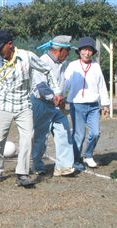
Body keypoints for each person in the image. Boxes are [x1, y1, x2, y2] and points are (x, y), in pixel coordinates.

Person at [0, 30, 61, 187]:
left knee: (27, 138)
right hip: (3, 105)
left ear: (10, 44)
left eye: (0, 48)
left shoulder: (27, 57)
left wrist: (56, 91)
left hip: (24, 106)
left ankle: (22, 173)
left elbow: (47, 70)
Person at [31, 35, 79, 177]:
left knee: (64, 131)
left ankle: (63, 167)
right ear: (60, 50)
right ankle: (37, 165)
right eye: (68, 51)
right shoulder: (42, 62)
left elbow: (60, 85)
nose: (68, 54)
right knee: (40, 137)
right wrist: (54, 98)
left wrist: (61, 99)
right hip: (41, 104)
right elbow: (41, 86)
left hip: (55, 106)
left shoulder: (62, 64)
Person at [64, 37, 110, 168]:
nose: (87, 52)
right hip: (77, 104)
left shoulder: (96, 66)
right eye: (84, 49)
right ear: (79, 51)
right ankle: (76, 160)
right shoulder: (72, 65)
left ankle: (88, 155)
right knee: (79, 135)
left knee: (96, 133)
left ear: (93, 52)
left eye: (90, 50)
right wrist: (60, 96)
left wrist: (105, 104)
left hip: (93, 106)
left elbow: (102, 85)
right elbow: (66, 82)